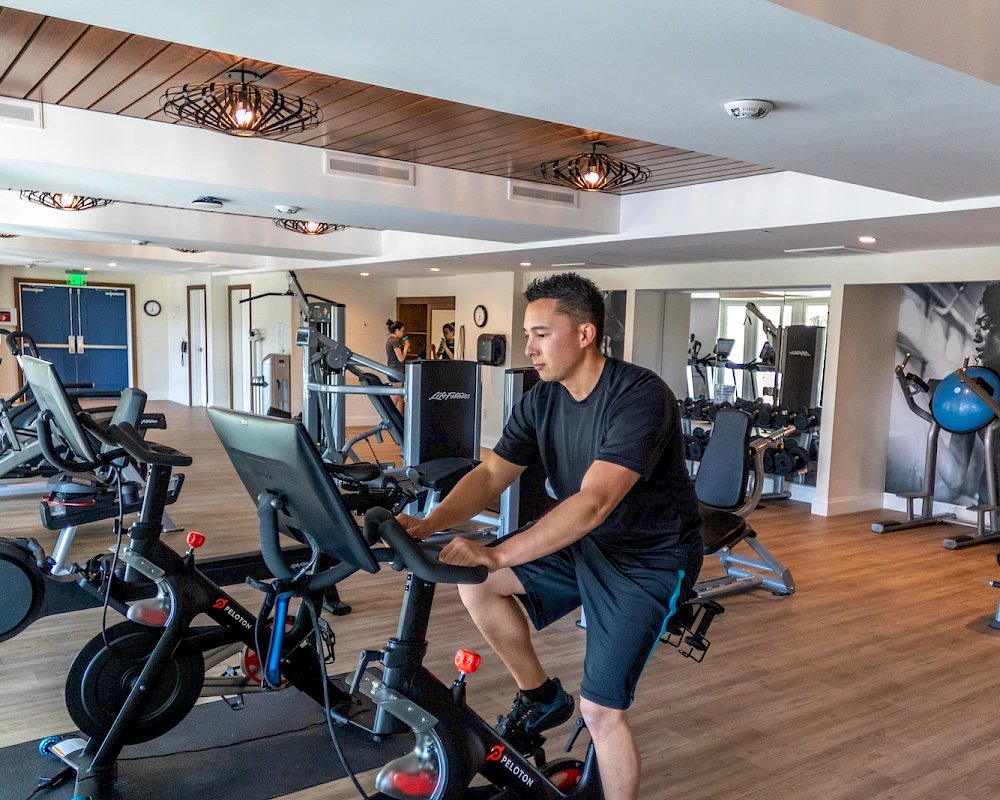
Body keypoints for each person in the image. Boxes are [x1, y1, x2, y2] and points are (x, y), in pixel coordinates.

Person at [398, 273, 703, 800]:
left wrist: (495, 553)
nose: (528, 348)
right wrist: (428, 523)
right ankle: (540, 696)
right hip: (586, 544)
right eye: (527, 334)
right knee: (476, 582)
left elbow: (593, 502)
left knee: (601, 710)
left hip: (647, 559)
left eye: (540, 334)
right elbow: (492, 474)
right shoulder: (543, 400)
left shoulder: (639, 395)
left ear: (585, 334)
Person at [385, 319, 408, 414]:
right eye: (402, 331)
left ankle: (399, 419)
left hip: (393, 369)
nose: (402, 334)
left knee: (399, 396)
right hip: (396, 370)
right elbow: (401, 358)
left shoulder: (389, 340)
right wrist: (406, 347)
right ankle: (389, 415)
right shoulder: (394, 341)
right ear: (397, 330)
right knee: (396, 395)